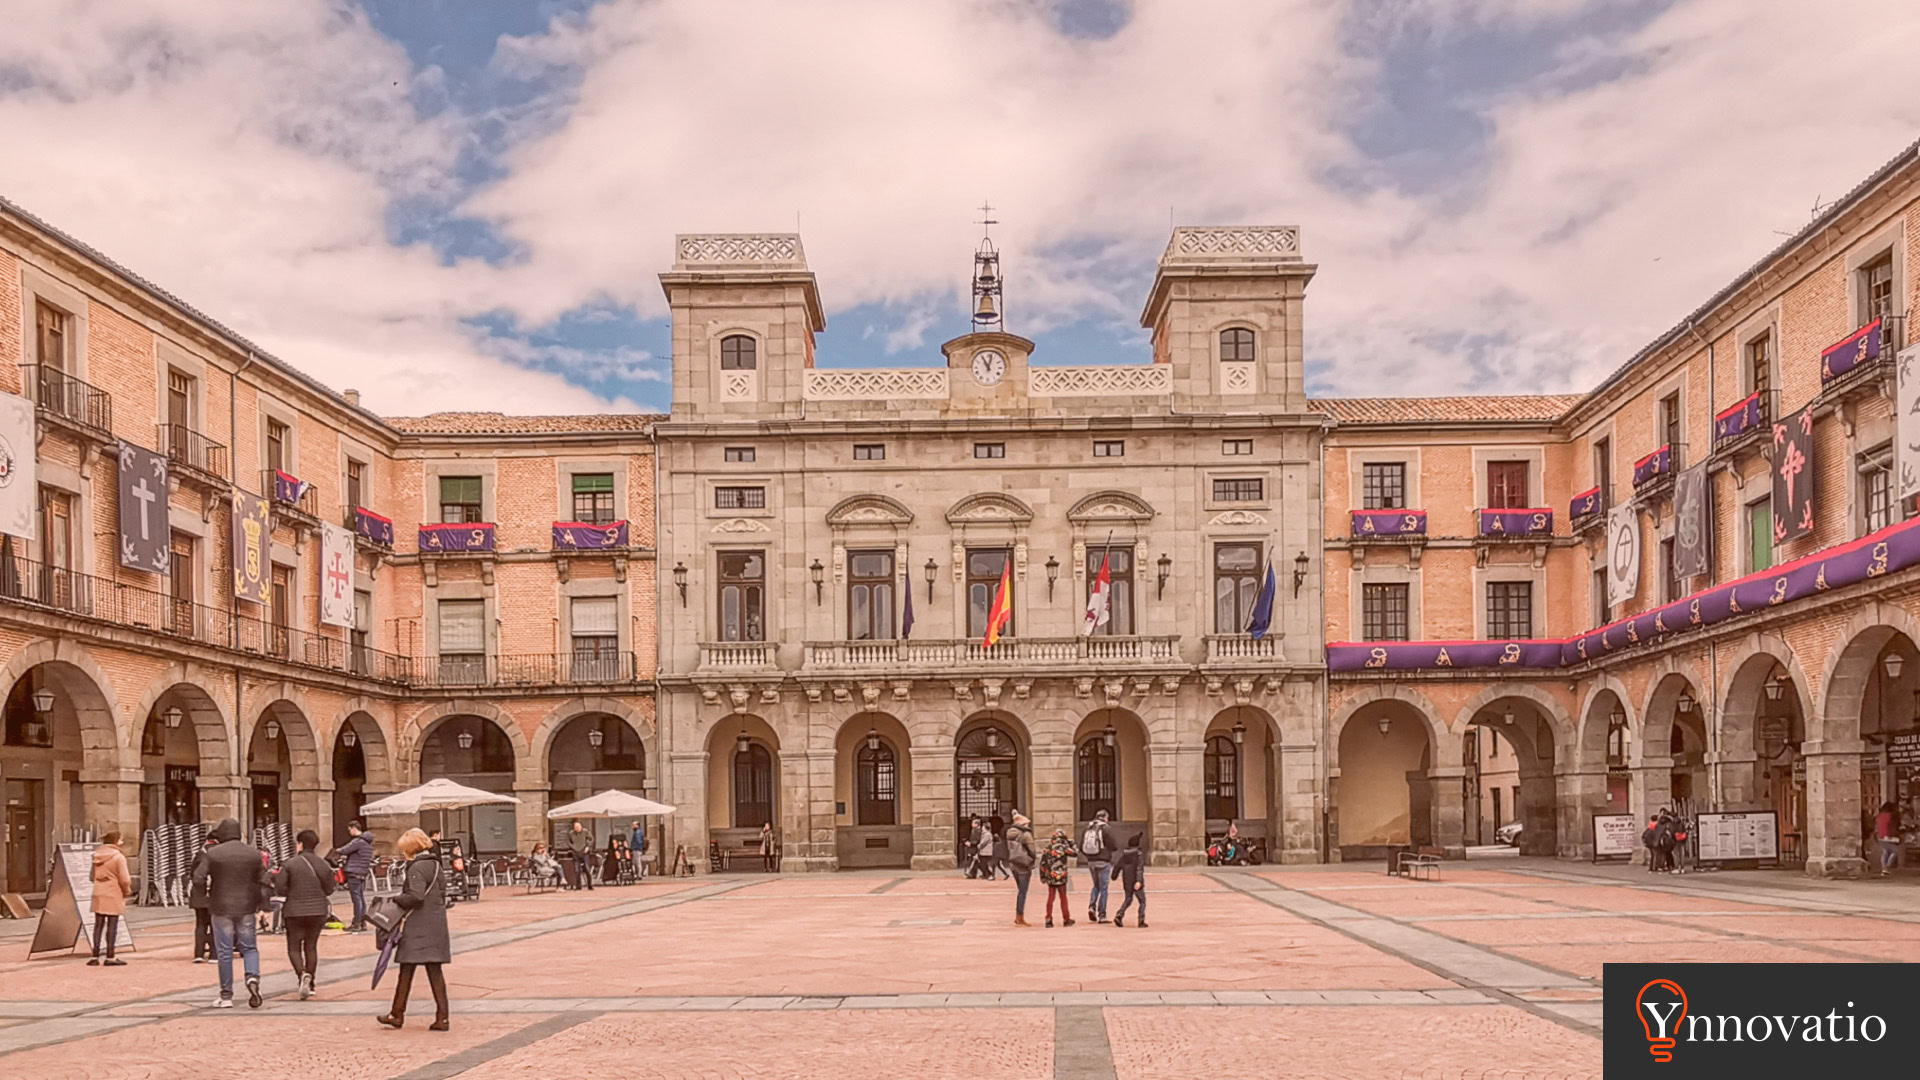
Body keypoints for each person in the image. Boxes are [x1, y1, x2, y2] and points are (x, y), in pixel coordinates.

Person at [378, 828, 451, 1032]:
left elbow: (416, 896)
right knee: (434, 971)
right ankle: (442, 1017)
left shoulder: (417, 868)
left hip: (418, 925)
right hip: (436, 923)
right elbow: (442, 893)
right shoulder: (436, 865)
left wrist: (397, 898)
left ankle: (397, 1014)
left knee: (406, 969)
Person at [193, 817, 269, 1009]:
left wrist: (205, 897)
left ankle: (226, 995)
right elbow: (265, 880)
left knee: (224, 951)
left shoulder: (213, 853)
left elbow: (198, 877)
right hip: (246, 907)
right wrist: (263, 905)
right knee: (250, 947)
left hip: (221, 906)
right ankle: (252, 977)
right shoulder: (253, 854)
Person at [277, 829, 336, 1000]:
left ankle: (302, 974)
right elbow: (330, 889)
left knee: (294, 947)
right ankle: (311, 984)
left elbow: (280, 888)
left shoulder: (290, 864)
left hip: (294, 911)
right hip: (318, 910)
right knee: (311, 946)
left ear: (300, 844)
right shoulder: (323, 864)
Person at [88, 832, 131, 966]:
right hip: (113, 891)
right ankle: (110, 956)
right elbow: (124, 879)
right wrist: (127, 890)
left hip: (98, 891)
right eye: (121, 840)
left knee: (98, 925)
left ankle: (95, 955)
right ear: (116, 841)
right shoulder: (118, 857)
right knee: (112, 924)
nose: (122, 842)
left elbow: (91, 877)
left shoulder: (96, 856)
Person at [334, 821, 374, 933]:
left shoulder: (358, 841)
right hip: (362, 872)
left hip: (354, 872)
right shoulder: (368, 843)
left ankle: (356, 923)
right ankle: (362, 922)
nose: (349, 832)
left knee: (356, 898)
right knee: (360, 897)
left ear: (354, 828)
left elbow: (344, 850)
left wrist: (336, 852)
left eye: (350, 829)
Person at [1037, 827, 1077, 928]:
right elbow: (1075, 853)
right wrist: (1071, 843)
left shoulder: (1048, 848)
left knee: (1051, 897)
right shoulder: (1064, 847)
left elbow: (1042, 864)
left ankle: (1048, 918)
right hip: (1061, 876)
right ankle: (1066, 918)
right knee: (1063, 897)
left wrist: (1043, 876)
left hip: (1051, 876)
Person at [1082, 809, 1117, 924]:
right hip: (1103, 861)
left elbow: (1081, 845)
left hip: (1091, 861)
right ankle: (1102, 915)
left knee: (1096, 885)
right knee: (1104, 888)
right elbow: (1113, 845)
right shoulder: (1106, 828)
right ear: (1105, 817)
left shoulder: (1088, 828)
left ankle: (1092, 906)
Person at [1004, 812, 1035, 926]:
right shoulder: (1025, 834)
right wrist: (1032, 859)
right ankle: (1019, 916)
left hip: (1014, 865)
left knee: (1020, 891)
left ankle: (1018, 916)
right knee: (1023, 892)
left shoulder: (1009, 833)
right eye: (1026, 823)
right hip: (1024, 865)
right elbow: (1032, 850)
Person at [188, 834, 215, 962]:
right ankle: (214, 954)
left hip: (198, 895)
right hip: (213, 895)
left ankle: (198, 953)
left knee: (200, 924)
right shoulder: (218, 854)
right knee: (214, 924)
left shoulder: (200, 854)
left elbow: (191, 873)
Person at [1111, 833, 1147, 928]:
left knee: (1128, 899)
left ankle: (1119, 914)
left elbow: (1117, 866)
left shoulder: (1124, 855)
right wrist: (1139, 881)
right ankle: (1141, 919)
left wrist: (1114, 875)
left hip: (1126, 880)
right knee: (1142, 901)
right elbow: (1139, 869)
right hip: (1135, 880)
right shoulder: (1138, 855)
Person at [566, 821, 594, 891]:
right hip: (576, 853)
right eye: (575, 827)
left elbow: (591, 839)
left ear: (581, 827)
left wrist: (588, 847)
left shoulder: (585, 832)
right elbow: (568, 841)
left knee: (587, 869)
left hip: (584, 852)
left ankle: (590, 885)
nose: (577, 828)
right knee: (577, 870)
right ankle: (578, 886)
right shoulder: (571, 833)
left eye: (578, 827)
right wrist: (573, 847)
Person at [1876, 801, 1900, 876]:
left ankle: (1884, 868)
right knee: (1895, 851)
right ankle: (1887, 867)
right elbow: (1893, 826)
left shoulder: (1879, 816)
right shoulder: (1891, 816)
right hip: (1889, 836)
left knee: (1885, 852)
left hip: (1880, 836)